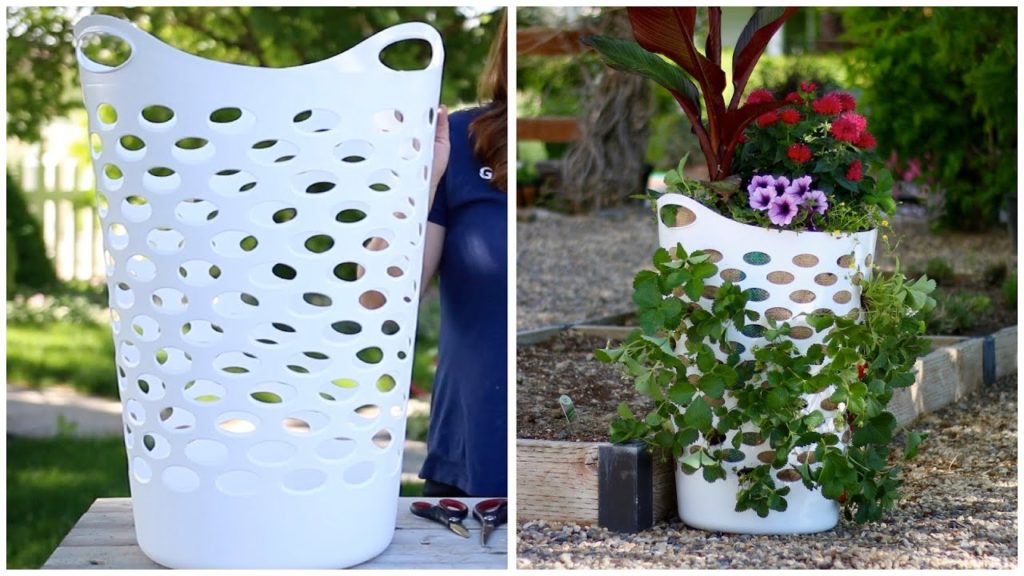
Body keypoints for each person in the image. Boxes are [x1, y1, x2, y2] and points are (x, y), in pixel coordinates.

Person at [418, 10, 507, 498]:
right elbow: (381, 300)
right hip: (468, 467)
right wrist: (417, 184)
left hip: (558, 460)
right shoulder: (457, 138)